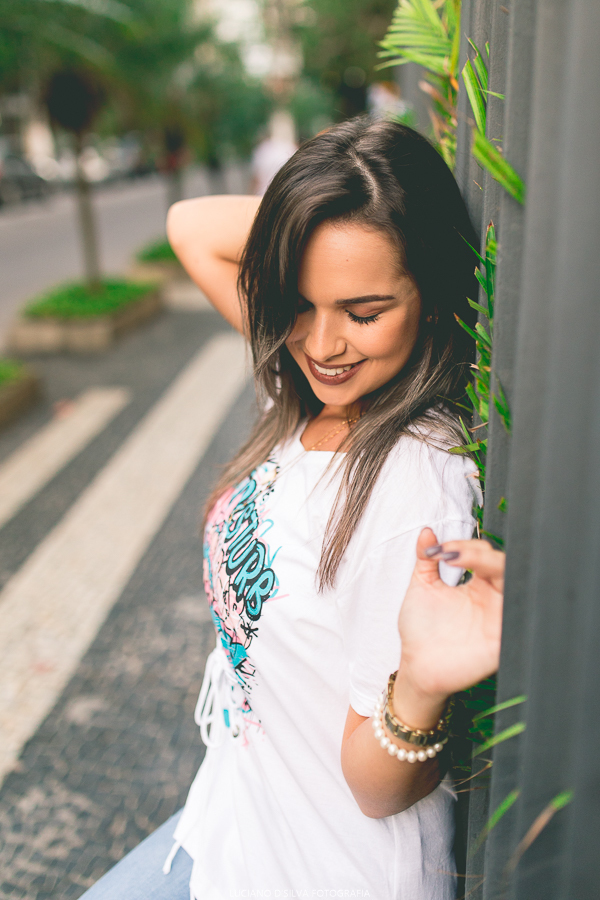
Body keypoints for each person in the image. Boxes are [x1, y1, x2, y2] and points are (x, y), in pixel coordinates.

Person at [80, 118, 500, 900]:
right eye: (296, 302)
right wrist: (320, 219)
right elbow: (190, 227)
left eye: (363, 310)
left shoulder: (411, 477)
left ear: (435, 292)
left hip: (324, 874)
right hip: (231, 825)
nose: (322, 342)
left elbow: (379, 791)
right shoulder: (319, 380)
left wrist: (418, 692)